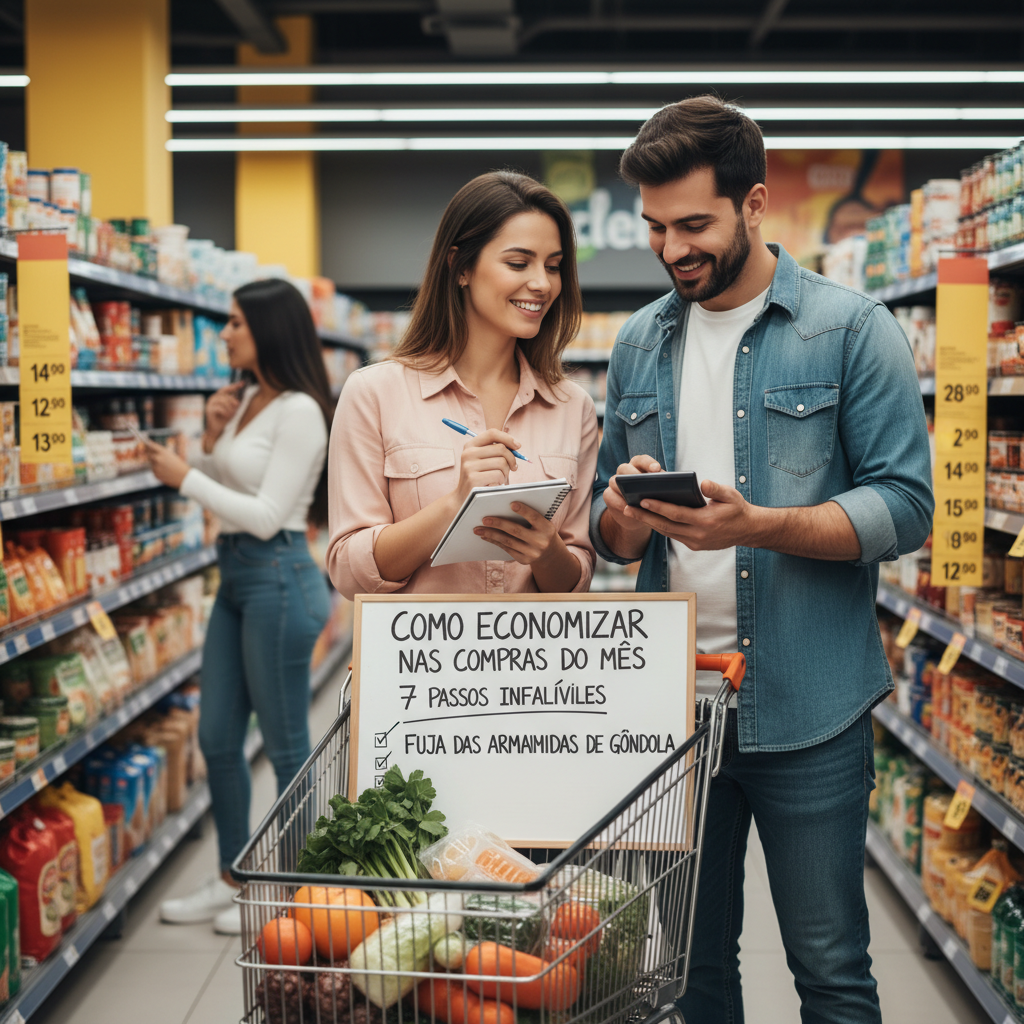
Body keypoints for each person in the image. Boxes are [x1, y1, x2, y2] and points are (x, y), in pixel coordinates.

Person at [590, 96, 933, 1022]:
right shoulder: (637, 343)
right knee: (691, 971)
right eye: (656, 227)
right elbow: (607, 536)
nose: (672, 249)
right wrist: (624, 513)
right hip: (672, 712)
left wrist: (760, 526)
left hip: (811, 709)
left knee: (830, 970)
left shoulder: (850, 329)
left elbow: (907, 507)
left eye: (694, 225)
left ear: (753, 204)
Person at [150, 278, 333, 935]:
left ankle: (291, 890)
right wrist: (208, 439)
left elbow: (266, 514)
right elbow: (230, 484)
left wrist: (185, 477)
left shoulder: (301, 411)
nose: (223, 334)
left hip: (279, 577)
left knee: (285, 748)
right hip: (236, 578)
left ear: (269, 329)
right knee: (217, 738)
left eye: (234, 323)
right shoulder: (247, 397)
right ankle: (234, 876)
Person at [328, 170, 598, 599]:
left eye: (553, 266)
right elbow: (349, 572)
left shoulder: (572, 406)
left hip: (531, 644)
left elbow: (576, 579)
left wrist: (547, 552)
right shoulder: (374, 393)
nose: (542, 284)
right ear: (460, 267)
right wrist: (455, 504)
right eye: (518, 263)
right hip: (419, 644)